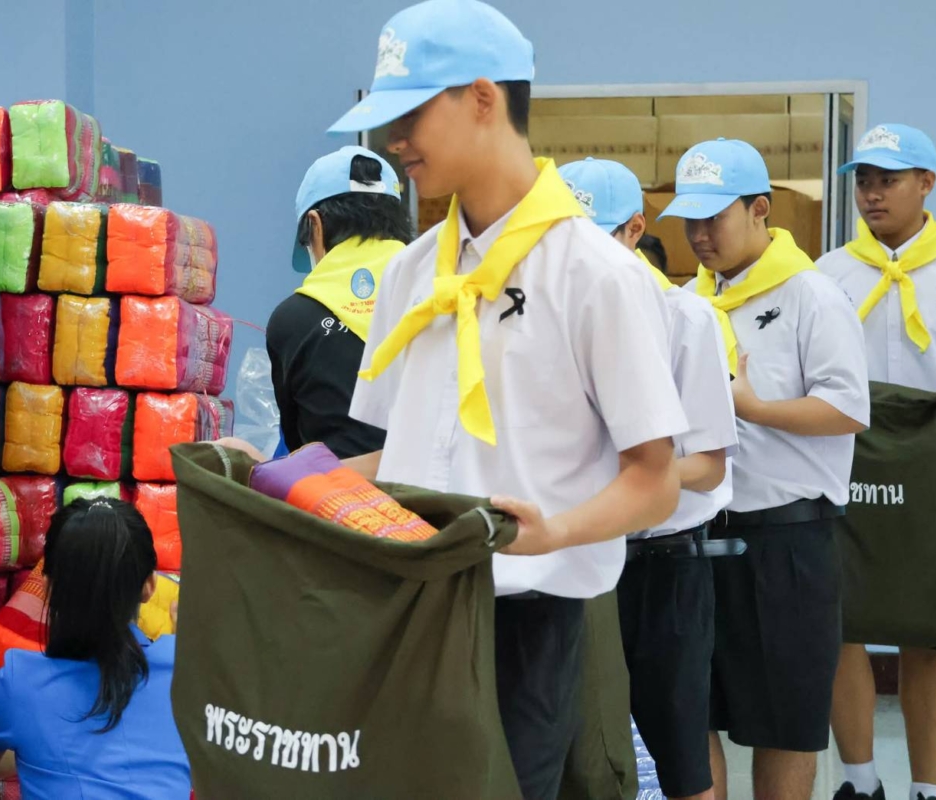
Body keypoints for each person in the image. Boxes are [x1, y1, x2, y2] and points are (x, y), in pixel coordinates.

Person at [323, 2, 688, 796]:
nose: (394, 141)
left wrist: (555, 531)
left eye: (411, 115)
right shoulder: (412, 273)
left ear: (483, 98)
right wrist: (278, 483)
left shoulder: (598, 276)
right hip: (407, 606)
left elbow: (656, 480)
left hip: (528, 621)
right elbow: (398, 456)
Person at [660, 138, 870, 800]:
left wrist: (753, 408)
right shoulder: (685, 303)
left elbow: (848, 409)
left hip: (787, 541)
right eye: (689, 221)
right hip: (696, 539)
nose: (699, 235)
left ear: (759, 209)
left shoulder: (813, 296)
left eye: (713, 218)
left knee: (785, 725)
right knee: (693, 715)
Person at [559, 158, 737, 800]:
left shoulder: (684, 319)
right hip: (577, 563)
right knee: (578, 751)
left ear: (635, 230)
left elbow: (709, 465)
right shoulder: (546, 316)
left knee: (679, 755)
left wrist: (625, 479)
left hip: (664, 567)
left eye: (592, 238)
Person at [816, 123, 936, 800]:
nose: (872, 195)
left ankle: (928, 788)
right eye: (864, 182)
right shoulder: (827, 274)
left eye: (888, 181)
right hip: (842, 466)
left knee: (928, 629)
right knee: (838, 622)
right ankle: (858, 780)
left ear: (926, 183)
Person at [0, 499, 191, 799]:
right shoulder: (187, 672)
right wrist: (191, 646)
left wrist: (39, 748)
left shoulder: (19, 682)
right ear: (150, 585)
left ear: (47, 587)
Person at [267, 146, 413, 458]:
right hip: (440, 488)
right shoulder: (443, 292)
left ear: (315, 226)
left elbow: (297, 442)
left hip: (334, 489)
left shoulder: (292, 320)